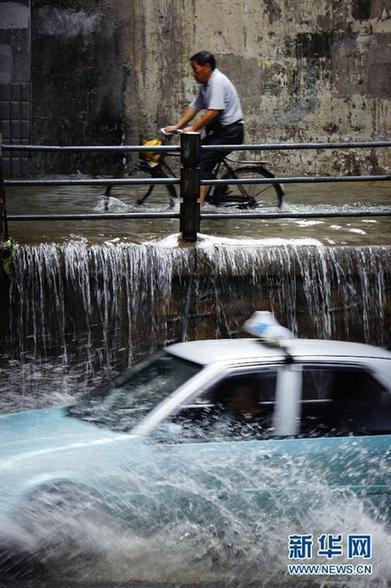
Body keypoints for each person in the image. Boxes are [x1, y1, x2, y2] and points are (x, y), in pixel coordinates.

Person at [163, 50, 244, 205]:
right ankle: (217, 190)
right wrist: (177, 126)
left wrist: (193, 128)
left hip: (230, 132)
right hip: (219, 132)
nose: (193, 73)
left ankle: (197, 206)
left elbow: (214, 111)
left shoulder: (217, 82)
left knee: (202, 161)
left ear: (207, 67)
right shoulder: (205, 85)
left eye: (195, 69)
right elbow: (194, 107)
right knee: (195, 156)